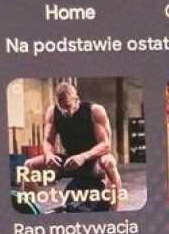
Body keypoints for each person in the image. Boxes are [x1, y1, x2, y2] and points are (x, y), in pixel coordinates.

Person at [20, 81, 124, 212]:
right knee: (29, 165)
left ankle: (114, 212)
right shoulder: (52, 112)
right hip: (69, 160)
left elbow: (105, 145)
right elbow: (48, 141)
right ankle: (30, 210)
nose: (66, 111)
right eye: (62, 107)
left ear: (76, 100)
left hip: (94, 159)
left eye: (69, 106)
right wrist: (49, 154)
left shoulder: (95, 111)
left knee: (109, 162)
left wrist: (83, 157)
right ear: (57, 102)